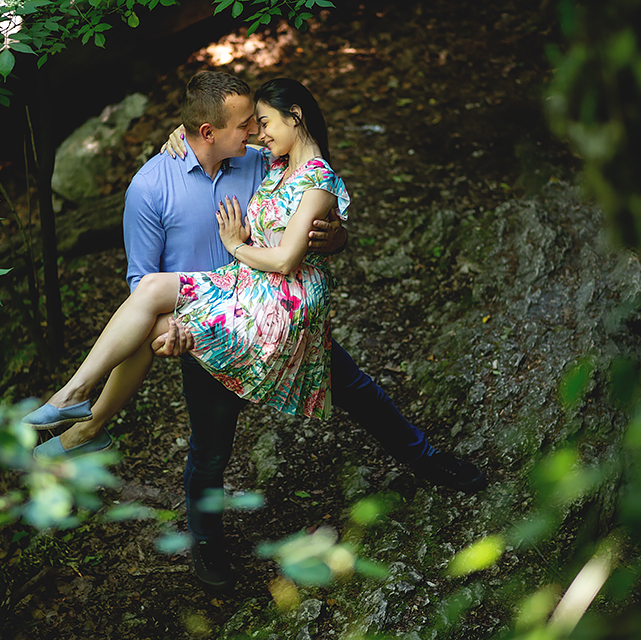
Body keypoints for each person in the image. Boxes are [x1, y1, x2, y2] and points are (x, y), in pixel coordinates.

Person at [27, 72, 486, 589]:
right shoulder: (152, 186)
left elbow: (311, 199)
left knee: (362, 394)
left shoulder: (257, 160)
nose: (254, 131)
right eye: (246, 123)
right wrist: (170, 333)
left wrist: (335, 237)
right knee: (210, 450)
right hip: (208, 324)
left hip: (273, 313)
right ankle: (202, 538)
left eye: (258, 122)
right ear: (207, 130)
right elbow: (141, 287)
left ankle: (428, 461)